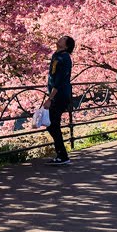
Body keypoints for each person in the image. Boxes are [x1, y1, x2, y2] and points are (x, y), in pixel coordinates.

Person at [44, 35, 75, 165]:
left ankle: (62, 155)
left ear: (66, 46)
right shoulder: (56, 55)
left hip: (60, 95)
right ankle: (62, 155)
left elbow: (60, 79)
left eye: (63, 39)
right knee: (52, 123)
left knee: (52, 123)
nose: (59, 39)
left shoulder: (65, 57)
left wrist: (50, 97)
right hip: (55, 94)